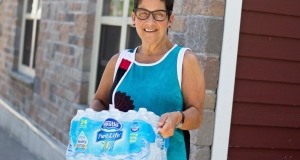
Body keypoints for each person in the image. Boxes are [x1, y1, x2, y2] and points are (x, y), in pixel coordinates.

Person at [90, 0, 206, 159]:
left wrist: (178, 118)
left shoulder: (183, 60)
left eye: (158, 15)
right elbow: (100, 101)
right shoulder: (120, 61)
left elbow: (197, 116)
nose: (150, 22)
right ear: (134, 18)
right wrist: (90, 123)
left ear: (169, 20)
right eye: (143, 13)